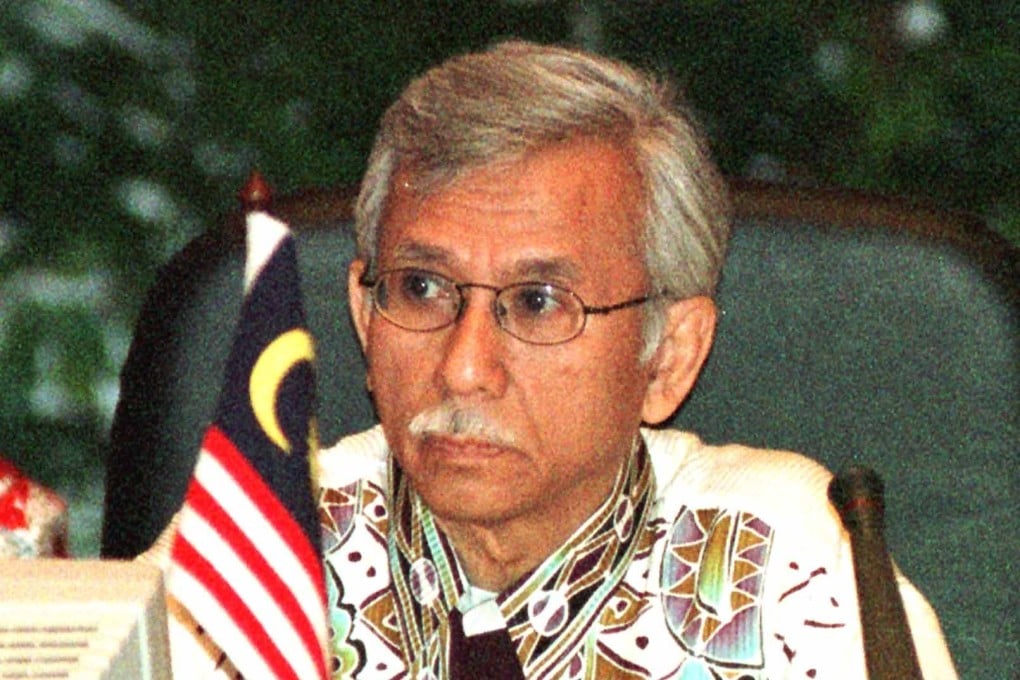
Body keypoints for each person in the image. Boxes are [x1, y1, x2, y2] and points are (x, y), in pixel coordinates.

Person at [154, 40, 956, 678]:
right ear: (365, 318)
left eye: (539, 303)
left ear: (668, 357)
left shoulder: (792, 576)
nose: (464, 367)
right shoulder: (248, 547)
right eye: (424, 288)